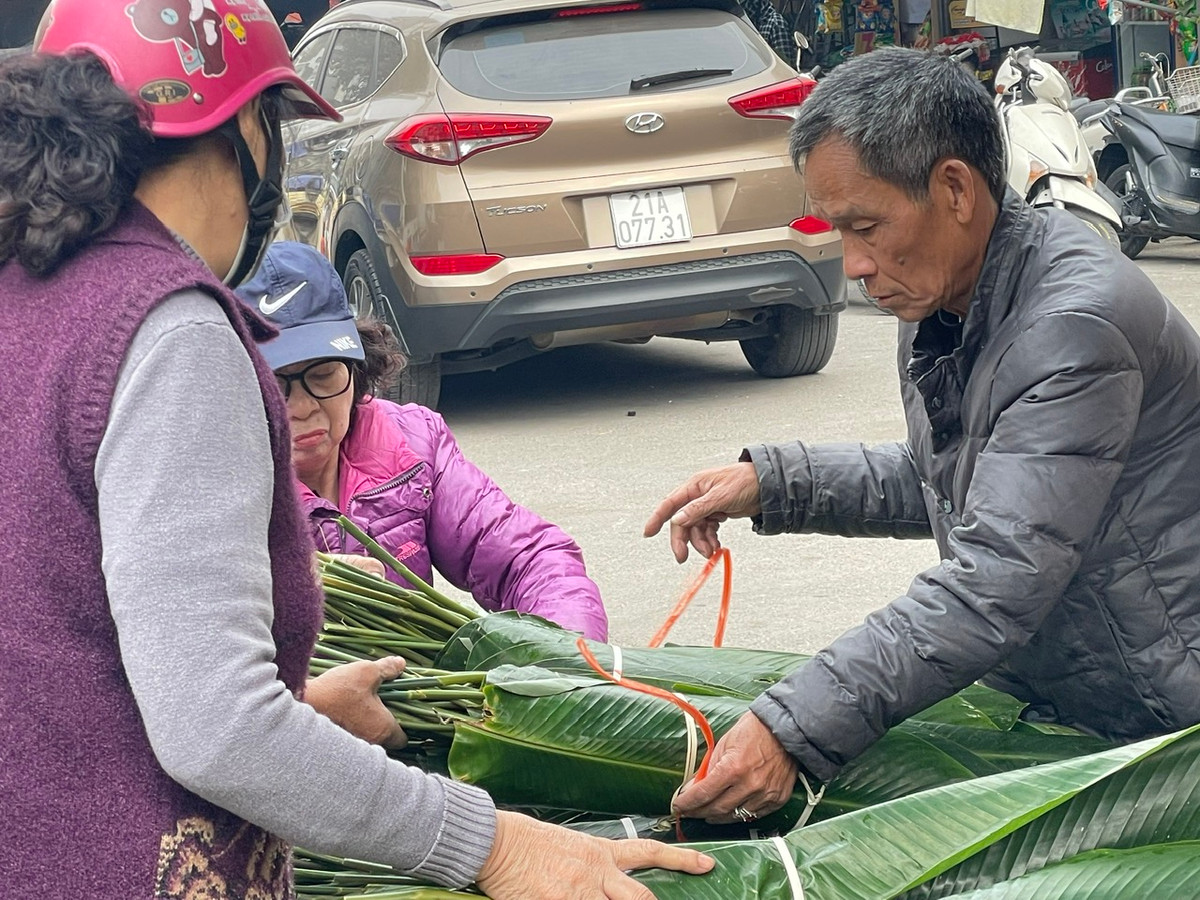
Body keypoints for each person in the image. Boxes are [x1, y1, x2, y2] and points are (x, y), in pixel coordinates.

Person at [0, 0, 712, 896]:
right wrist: (493, 845)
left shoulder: (29, 296)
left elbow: (60, 640)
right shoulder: (170, 331)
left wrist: (298, 710)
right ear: (245, 133)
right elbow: (216, 728)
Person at [645, 47, 1200, 825]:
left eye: (867, 226)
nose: (855, 264)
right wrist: (774, 482)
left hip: (1164, 711)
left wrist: (793, 726)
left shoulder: (1074, 325)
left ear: (954, 190)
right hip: (1066, 688)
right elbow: (957, 479)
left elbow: (997, 576)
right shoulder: (944, 298)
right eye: (839, 231)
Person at [235, 240, 609, 641]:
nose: (303, 407)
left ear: (357, 366)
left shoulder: (410, 443)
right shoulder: (212, 488)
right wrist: (289, 583)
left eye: (324, 375)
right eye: (272, 385)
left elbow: (527, 557)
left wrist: (569, 653)